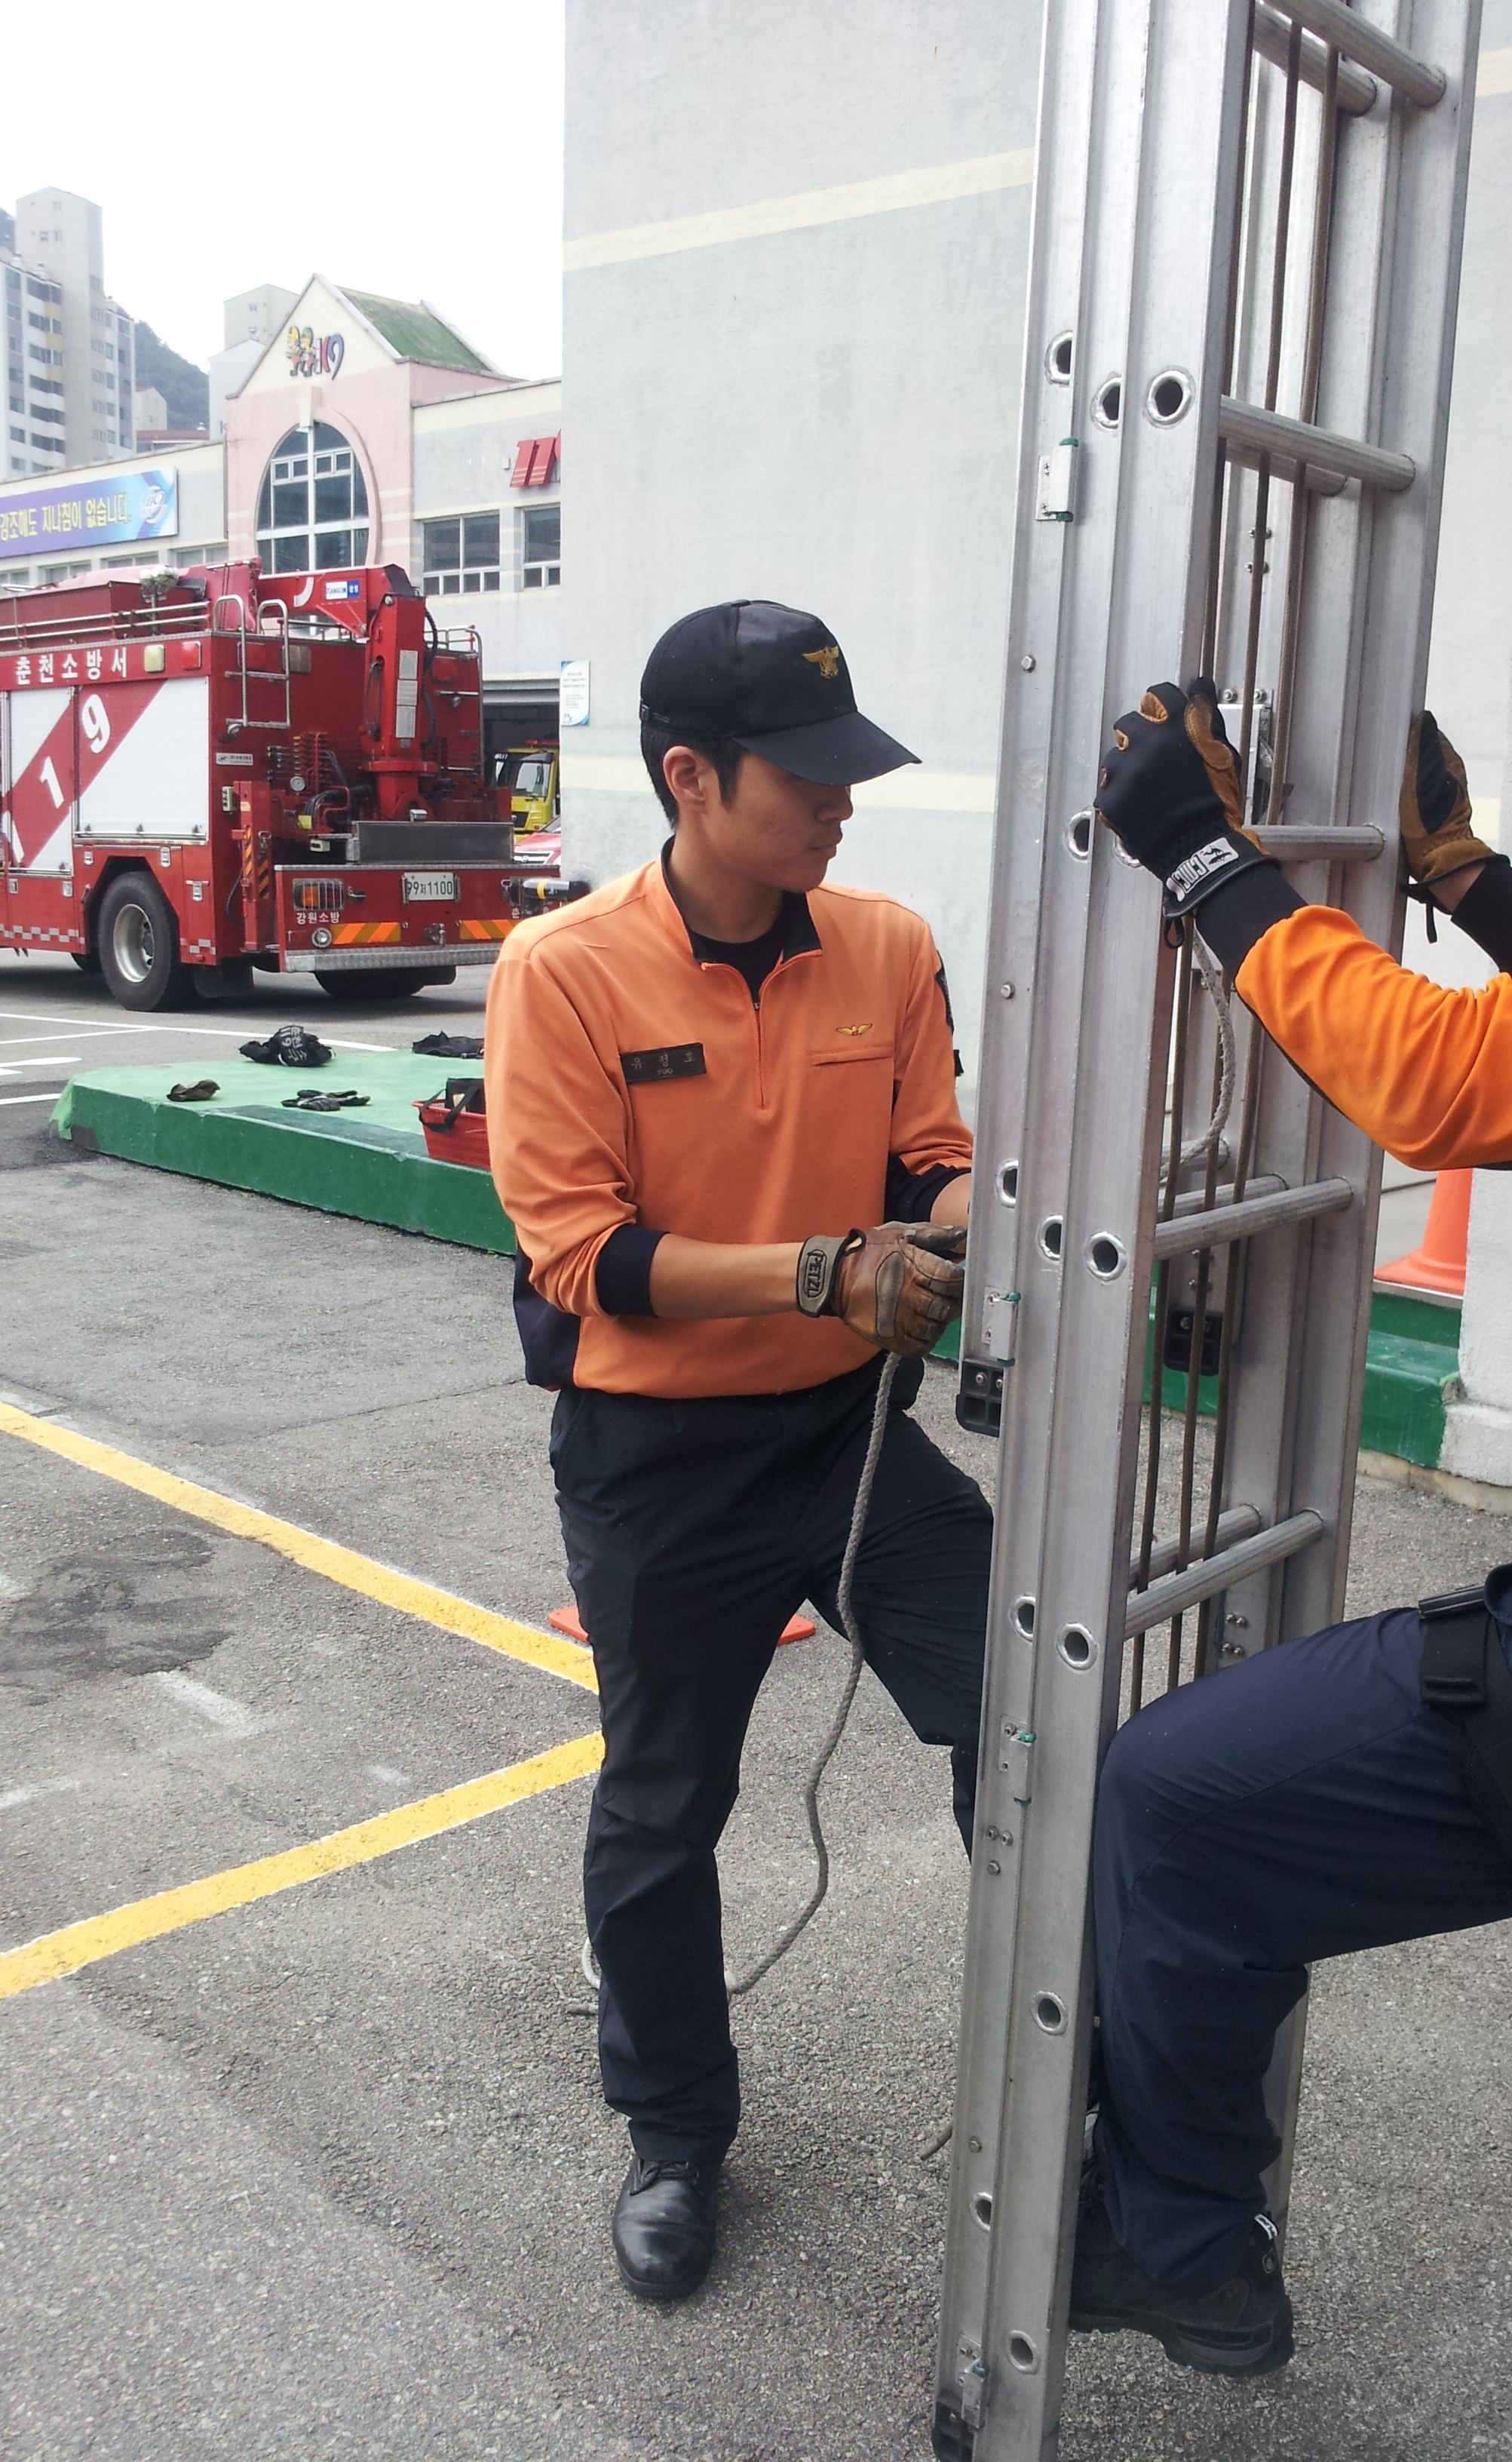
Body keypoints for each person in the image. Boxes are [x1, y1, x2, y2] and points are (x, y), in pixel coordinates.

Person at [1073, 677, 1512, 2455]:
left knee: (1178, 1799)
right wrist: (1462, 874)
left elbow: (1464, 1083)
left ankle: (1182, 2245)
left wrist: (1205, 861)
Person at [483, 599, 991, 2304]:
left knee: (1031, 1719)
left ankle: (1072, 2077)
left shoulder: (890, 948)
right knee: (664, 1804)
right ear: (692, 778)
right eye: (807, 776)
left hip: (851, 1443)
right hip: (659, 1459)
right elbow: (584, 1255)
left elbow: (931, 1158)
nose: (842, 804)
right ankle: (675, 2131)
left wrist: (977, 1219)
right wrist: (826, 1274)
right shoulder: (563, 970)